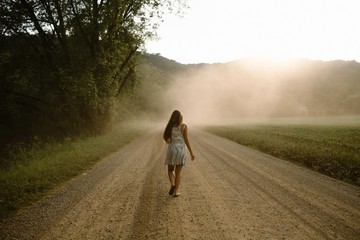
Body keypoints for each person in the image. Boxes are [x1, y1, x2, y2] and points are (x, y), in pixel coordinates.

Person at [163, 110, 195, 197]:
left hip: (172, 149)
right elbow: (186, 140)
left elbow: (166, 138)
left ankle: (172, 184)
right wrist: (191, 153)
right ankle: (176, 191)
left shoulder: (170, 126)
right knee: (178, 172)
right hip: (181, 150)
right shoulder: (184, 126)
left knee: (170, 170)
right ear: (181, 117)